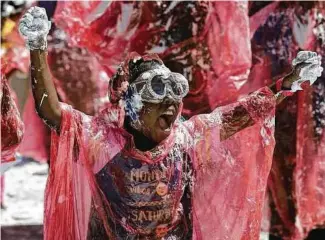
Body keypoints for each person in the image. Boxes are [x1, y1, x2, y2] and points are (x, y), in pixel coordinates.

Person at [19, 7, 323, 239]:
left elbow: (244, 112)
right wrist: (37, 47)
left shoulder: (187, 138)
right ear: (130, 103)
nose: (171, 105)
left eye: (174, 94)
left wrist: (288, 83)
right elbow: (53, 113)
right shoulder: (103, 141)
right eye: (156, 94)